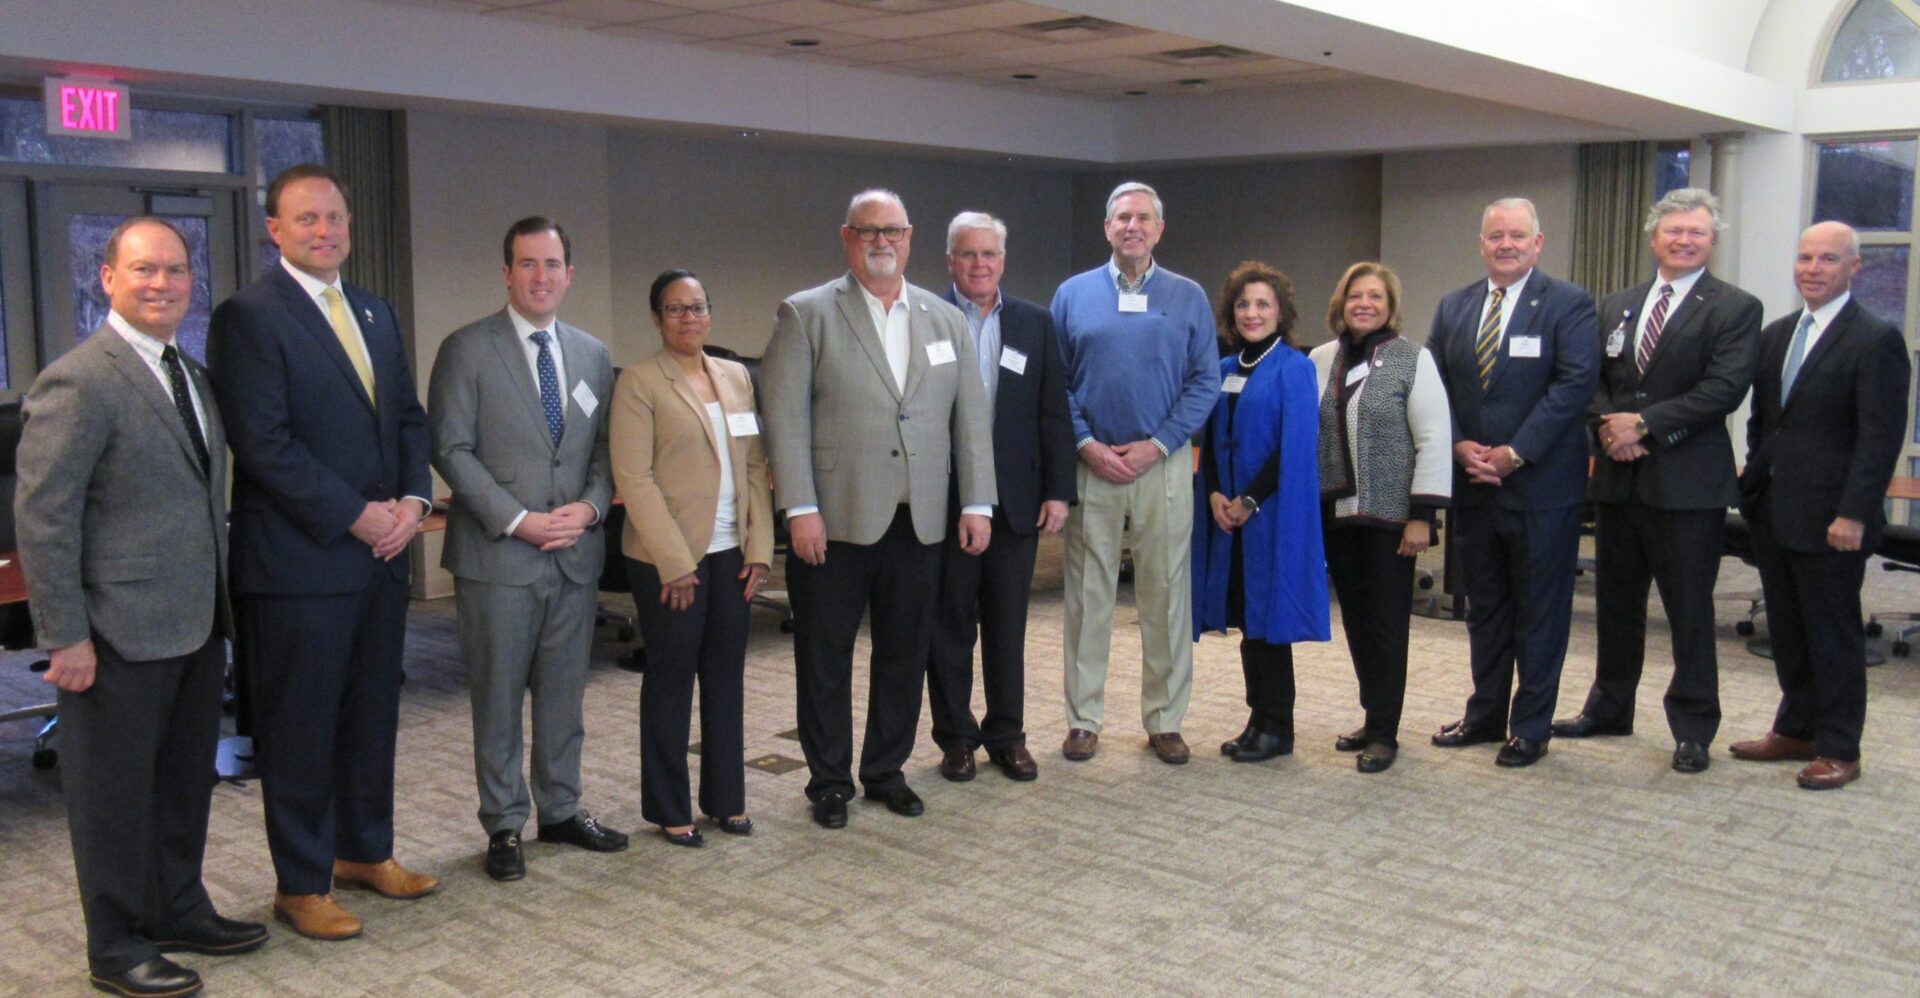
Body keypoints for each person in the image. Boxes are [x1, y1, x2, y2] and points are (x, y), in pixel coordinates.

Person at [16, 217, 266, 998]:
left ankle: (177, 906)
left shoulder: (189, 374)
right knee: (113, 798)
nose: (162, 284)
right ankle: (116, 943)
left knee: (182, 783)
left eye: (176, 270)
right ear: (109, 279)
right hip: (113, 633)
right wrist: (66, 635)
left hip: (193, 624)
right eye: (144, 270)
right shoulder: (80, 379)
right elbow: (45, 518)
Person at [207, 163, 436, 940]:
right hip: (301, 564)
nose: (325, 230)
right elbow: (263, 445)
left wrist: (412, 502)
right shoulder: (249, 316)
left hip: (382, 555)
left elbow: (408, 418)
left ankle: (364, 851)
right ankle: (300, 882)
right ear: (275, 230)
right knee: (301, 727)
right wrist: (355, 517)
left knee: (372, 715)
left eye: (334, 217)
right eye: (306, 219)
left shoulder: (374, 312)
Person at [760, 189, 995, 828]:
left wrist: (977, 501)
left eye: (891, 231)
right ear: (847, 238)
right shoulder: (807, 314)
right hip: (833, 519)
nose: (881, 242)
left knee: (905, 650)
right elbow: (783, 420)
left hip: (920, 516)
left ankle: (884, 769)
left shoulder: (942, 319)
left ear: (911, 237)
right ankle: (829, 780)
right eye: (868, 232)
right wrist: (799, 508)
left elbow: (969, 418)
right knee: (825, 654)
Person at [427, 216, 626, 882]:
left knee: (565, 698)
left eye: (553, 264)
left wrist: (592, 507)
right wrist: (517, 520)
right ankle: (505, 823)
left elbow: (603, 452)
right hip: (499, 559)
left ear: (571, 273)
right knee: (499, 698)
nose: (541, 277)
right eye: (527, 264)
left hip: (574, 554)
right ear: (506, 272)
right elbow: (450, 448)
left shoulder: (594, 354)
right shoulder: (467, 349)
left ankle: (562, 809)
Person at [1552, 189, 1761, 774]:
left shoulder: (1735, 308)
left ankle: (1693, 727)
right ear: (1653, 238)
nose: (1684, 240)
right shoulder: (1618, 304)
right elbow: (1590, 381)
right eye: (1673, 231)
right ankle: (1610, 708)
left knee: (1689, 612)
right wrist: (1610, 430)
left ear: (1712, 241)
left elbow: (1725, 389)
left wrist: (1643, 423)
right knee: (1615, 605)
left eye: (1696, 232)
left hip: (1688, 488)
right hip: (1619, 483)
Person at [1730, 221, 1907, 790]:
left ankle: (1839, 746)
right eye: (1805, 257)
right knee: (1787, 630)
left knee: (1832, 635)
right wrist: (1754, 485)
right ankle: (1797, 728)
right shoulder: (1779, 333)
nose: (1813, 268)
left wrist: (1854, 512)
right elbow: (1764, 424)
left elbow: (1879, 438)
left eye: (1828, 259)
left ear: (1854, 267)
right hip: (1775, 512)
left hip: (1834, 520)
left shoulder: (1875, 337)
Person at [1425, 197, 1598, 768]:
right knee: (1486, 608)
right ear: (1481, 244)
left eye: (1517, 235)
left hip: (1542, 489)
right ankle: (1484, 716)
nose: (1506, 244)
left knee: (1541, 612)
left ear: (1538, 243)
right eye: (1495, 235)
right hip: (1473, 485)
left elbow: (1573, 387)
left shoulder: (1569, 304)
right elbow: (1434, 384)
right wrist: (1455, 443)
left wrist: (1515, 453)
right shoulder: (1454, 306)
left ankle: (1530, 727)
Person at [1052, 181, 1220, 766]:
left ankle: (1165, 720)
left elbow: (1205, 382)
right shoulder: (1072, 295)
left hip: (1163, 466)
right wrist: (1085, 442)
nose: (1132, 227)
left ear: (1158, 229)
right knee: (1087, 596)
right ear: (1106, 227)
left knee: (1166, 594)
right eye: (1122, 217)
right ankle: (1083, 721)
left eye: (1143, 218)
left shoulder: (1188, 295)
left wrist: (1159, 445)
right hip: (1091, 466)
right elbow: (1059, 383)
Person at [611, 270, 773, 844]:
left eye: (698, 307)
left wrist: (759, 547)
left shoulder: (734, 376)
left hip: (732, 553)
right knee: (672, 679)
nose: (690, 318)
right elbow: (635, 478)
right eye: (676, 309)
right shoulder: (639, 381)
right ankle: (668, 806)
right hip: (669, 558)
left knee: (726, 679)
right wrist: (675, 562)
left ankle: (727, 800)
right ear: (656, 318)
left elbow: (754, 467)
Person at [927, 212, 1075, 784]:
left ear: (1003, 261)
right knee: (951, 626)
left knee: (1008, 625)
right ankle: (957, 738)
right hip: (945, 500)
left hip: (1016, 501)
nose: (979, 264)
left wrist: (1059, 491)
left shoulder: (1035, 324)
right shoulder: (926, 319)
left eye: (989, 254)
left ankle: (1006, 735)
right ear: (950, 261)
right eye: (968, 255)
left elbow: (1053, 412)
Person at [1310, 262, 1451, 774]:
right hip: (1337, 514)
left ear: (1391, 306)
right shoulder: (1322, 358)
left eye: (1375, 296)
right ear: (1340, 304)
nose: (1364, 304)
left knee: (1388, 625)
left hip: (1392, 516)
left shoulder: (1414, 360)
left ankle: (1386, 733)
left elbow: (1434, 437)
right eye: (1355, 296)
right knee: (1358, 622)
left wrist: (1423, 516)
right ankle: (1373, 717)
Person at [1194, 262, 1328, 764]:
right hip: (1228, 519)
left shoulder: (1294, 366)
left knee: (1269, 622)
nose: (1252, 313)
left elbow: (1293, 448)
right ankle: (1258, 720)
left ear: (1282, 311)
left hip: (1270, 517)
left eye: (1263, 304)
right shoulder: (1225, 369)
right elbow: (1208, 441)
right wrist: (1213, 496)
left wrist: (1249, 500)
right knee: (1249, 622)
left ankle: (1279, 727)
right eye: (1243, 304)